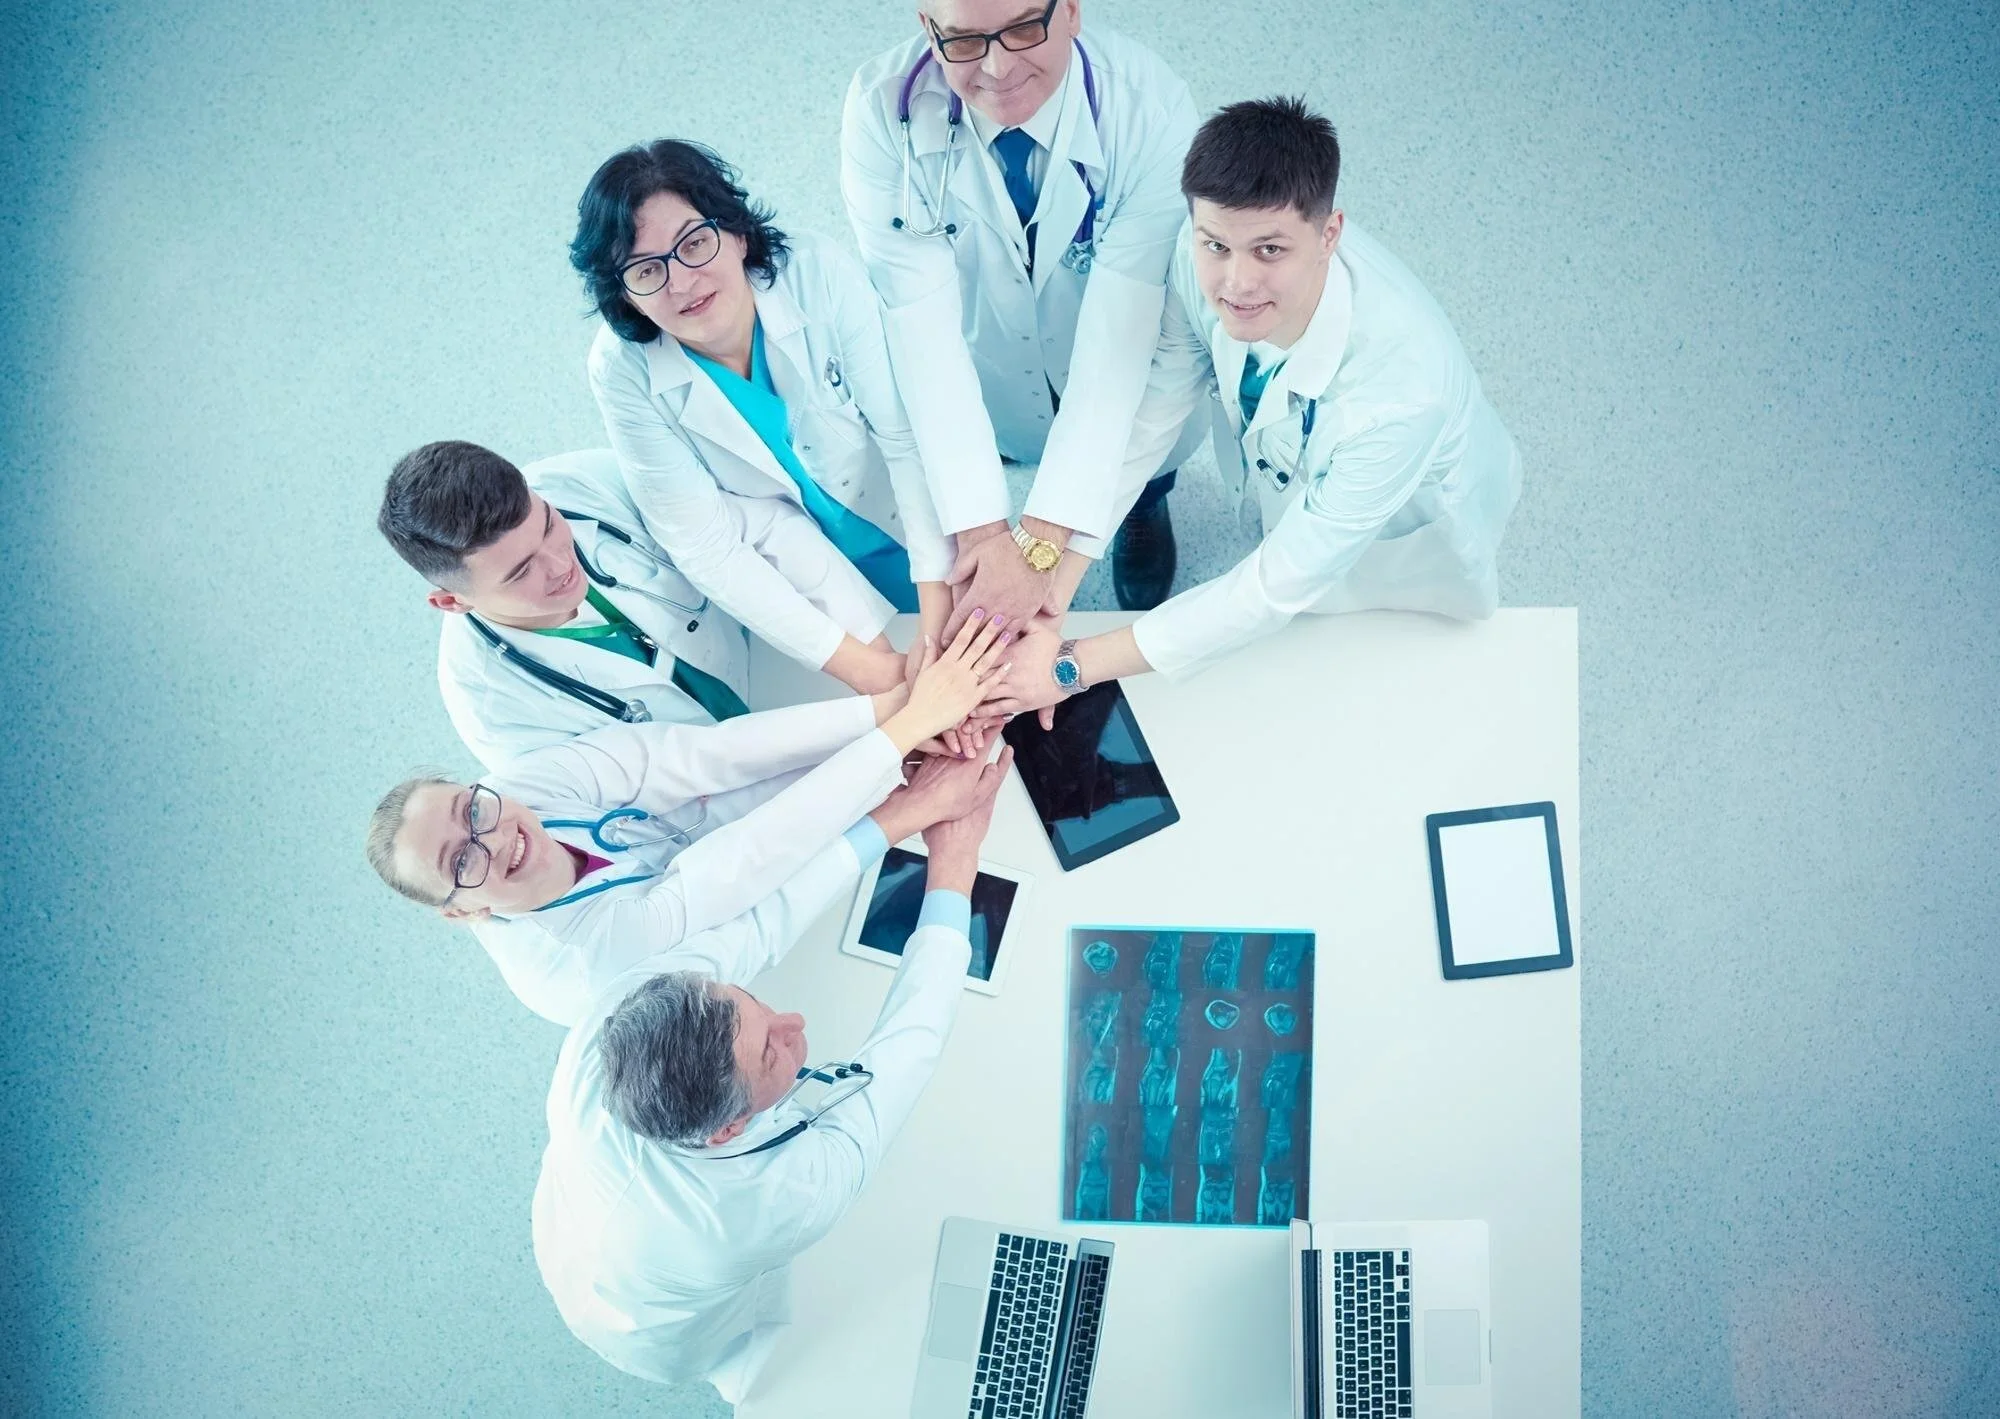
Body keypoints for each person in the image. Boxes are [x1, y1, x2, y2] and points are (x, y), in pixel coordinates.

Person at [982, 97, 1523, 722]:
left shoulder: (1402, 399)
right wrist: (1056, 576)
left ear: (1330, 234)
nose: (1234, 284)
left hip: (1406, 523)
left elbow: (1274, 585)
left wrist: (1071, 666)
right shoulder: (1197, 248)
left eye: (1269, 251)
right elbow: (1160, 404)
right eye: (1217, 246)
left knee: (1363, 650)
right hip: (1294, 474)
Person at [532, 741, 1014, 1398]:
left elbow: (762, 922)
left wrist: (904, 814)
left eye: (752, 1002)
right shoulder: (769, 1205)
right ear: (728, 1129)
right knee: (740, 1348)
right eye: (770, 1051)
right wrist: (954, 867)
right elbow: (909, 1044)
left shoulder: (615, 1016)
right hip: (648, 1319)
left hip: (576, 1204)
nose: (796, 1024)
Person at [363, 615, 1011, 1024]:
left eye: (470, 807)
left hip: (771, 832)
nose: (494, 836)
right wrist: (899, 789)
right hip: (765, 961)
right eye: (461, 861)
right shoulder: (578, 969)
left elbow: (702, 759)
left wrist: (891, 711)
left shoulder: (515, 786)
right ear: (462, 911)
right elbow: (741, 880)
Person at [840, 0, 1209, 621]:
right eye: (962, 41)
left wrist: (1039, 548)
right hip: (991, 358)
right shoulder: (884, 113)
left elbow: (1119, 343)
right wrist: (983, 534)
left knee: (1140, 457)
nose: (996, 67)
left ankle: (1143, 505)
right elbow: (920, 330)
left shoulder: (1150, 110)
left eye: (1021, 29)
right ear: (926, 29)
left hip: (1120, 353)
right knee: (996, 438)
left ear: (1070, 10)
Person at [577, 139, 953, 697]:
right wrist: (871, 673)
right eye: (644, 270)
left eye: (695, 243)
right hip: (794, 578)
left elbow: (905, 434)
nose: (680, 282)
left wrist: (939, 605)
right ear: (624, 294)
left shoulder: (812, 272)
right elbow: (707, 545)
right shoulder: (622, 370)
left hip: (913, 521)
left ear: (736, 230)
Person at [378, 441, 807, 769]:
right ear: (451, 601)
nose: (560, 562)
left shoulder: (584, 484)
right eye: (521, 572)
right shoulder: (497, 717)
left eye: (548, 526)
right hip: (736, 785)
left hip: (789, 662)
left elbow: (759, 527)